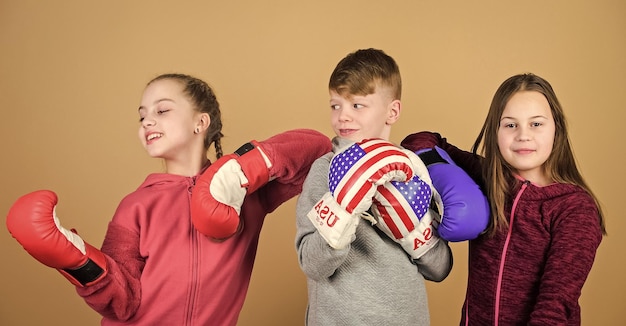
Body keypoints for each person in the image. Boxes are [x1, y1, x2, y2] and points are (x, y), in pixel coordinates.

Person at [6, 73, 332, 325]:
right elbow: (123, 301)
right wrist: (77, 261)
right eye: (142, 115)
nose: (148, 120)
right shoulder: (136, 206)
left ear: (200, 123)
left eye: (162, 110)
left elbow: (316, 153)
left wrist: (239, 171)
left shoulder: (245, 194)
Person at [402, 73, 606, 325]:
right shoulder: (487, 178)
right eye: (510, 125)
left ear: (557, 128)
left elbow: (556, 304)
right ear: (495, 131)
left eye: (536, 124)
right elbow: (421, 139)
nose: (523, 135)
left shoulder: (574, 208)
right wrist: (437, 167)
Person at [295, 48, 455, 325]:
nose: (342, 116)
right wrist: (342, 210)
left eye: (357, 105)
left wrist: (415, 232)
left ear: (392, 111)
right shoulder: (324, 171)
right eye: (336, 105)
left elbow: (440, 269)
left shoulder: (412, 170)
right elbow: (312, 264)